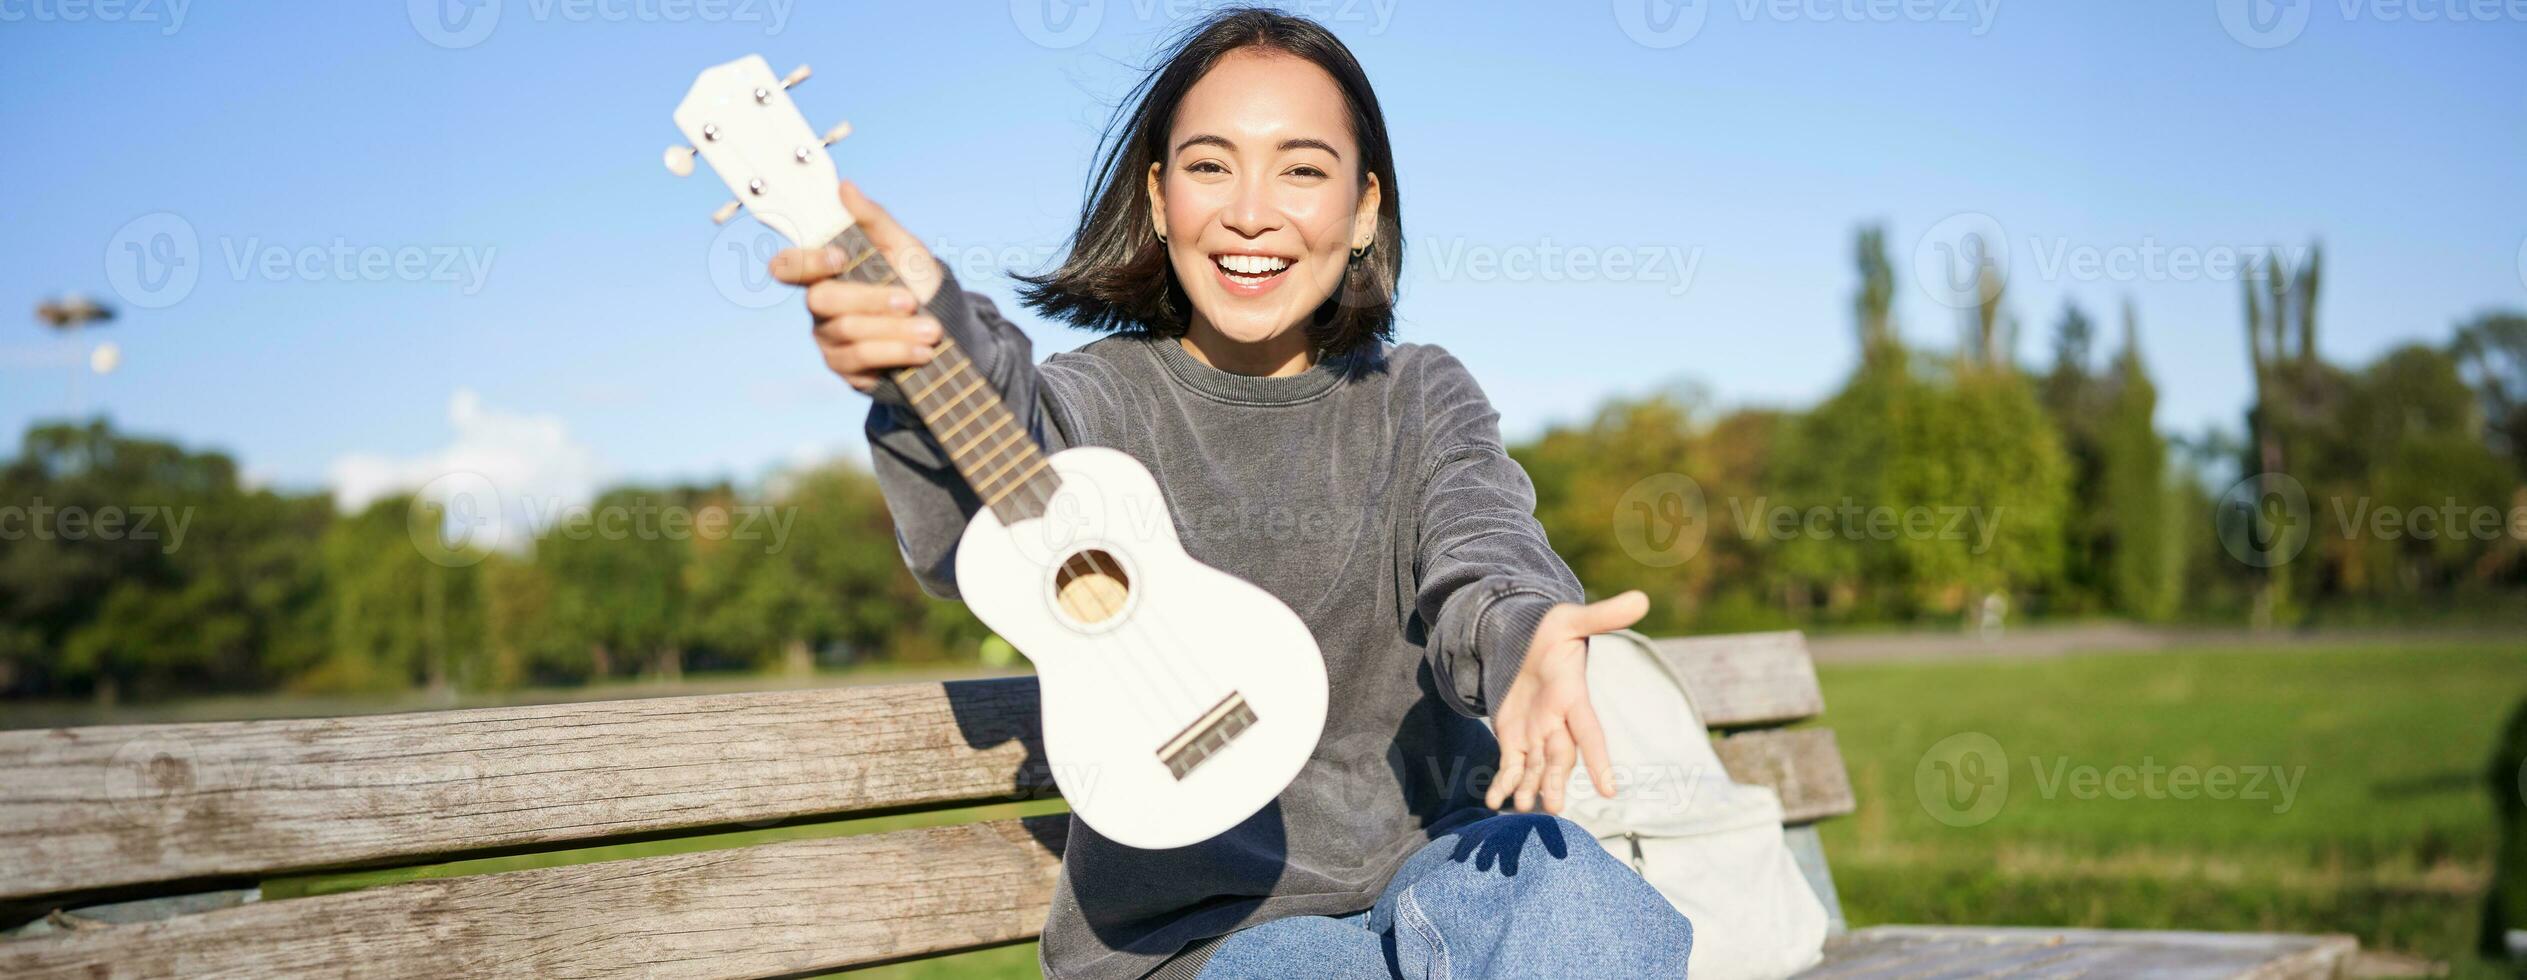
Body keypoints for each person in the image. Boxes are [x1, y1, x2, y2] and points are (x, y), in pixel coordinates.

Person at [769, 8, 1693, 978]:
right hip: (1201, 938)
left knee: (1582, 896)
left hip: (1431, 879)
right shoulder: (1092, 405)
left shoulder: (1419, 393)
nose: (1252, 211)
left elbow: (1485, 544)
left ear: (1365, 207)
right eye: (1211, 166)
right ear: (1159, 198)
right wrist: (928, 339)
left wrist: (1522, 630)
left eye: (1301, 168)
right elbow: (990, 493)